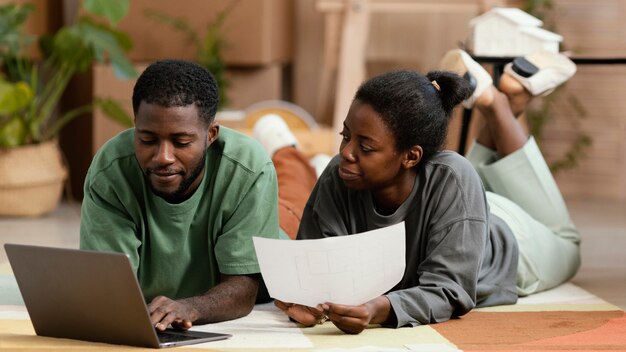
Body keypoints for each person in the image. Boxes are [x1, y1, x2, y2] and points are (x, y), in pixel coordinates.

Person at [273, 49, 581, 334]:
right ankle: (501, 100)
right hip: (460, 208)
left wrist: (380, 309)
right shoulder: (342, 172)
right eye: (346, 136)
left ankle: (500, 104)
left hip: (514, 238)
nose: (347, 152)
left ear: (411, 156)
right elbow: (314, 263)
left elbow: (449, 288)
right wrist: (308, 301)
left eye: (365, 146)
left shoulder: (454, 179)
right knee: (460, 179)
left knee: (568, 243)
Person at [79, 59, 316, 331]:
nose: (163, 157)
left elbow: (244, 289)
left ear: (211, 134)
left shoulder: (249, 168)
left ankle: (285, 146)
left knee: (295, 185)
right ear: (135, 126)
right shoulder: (110, 171)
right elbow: (107, 286)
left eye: (181, 142)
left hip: (278, 224)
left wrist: (192, 307)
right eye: (147, 139)